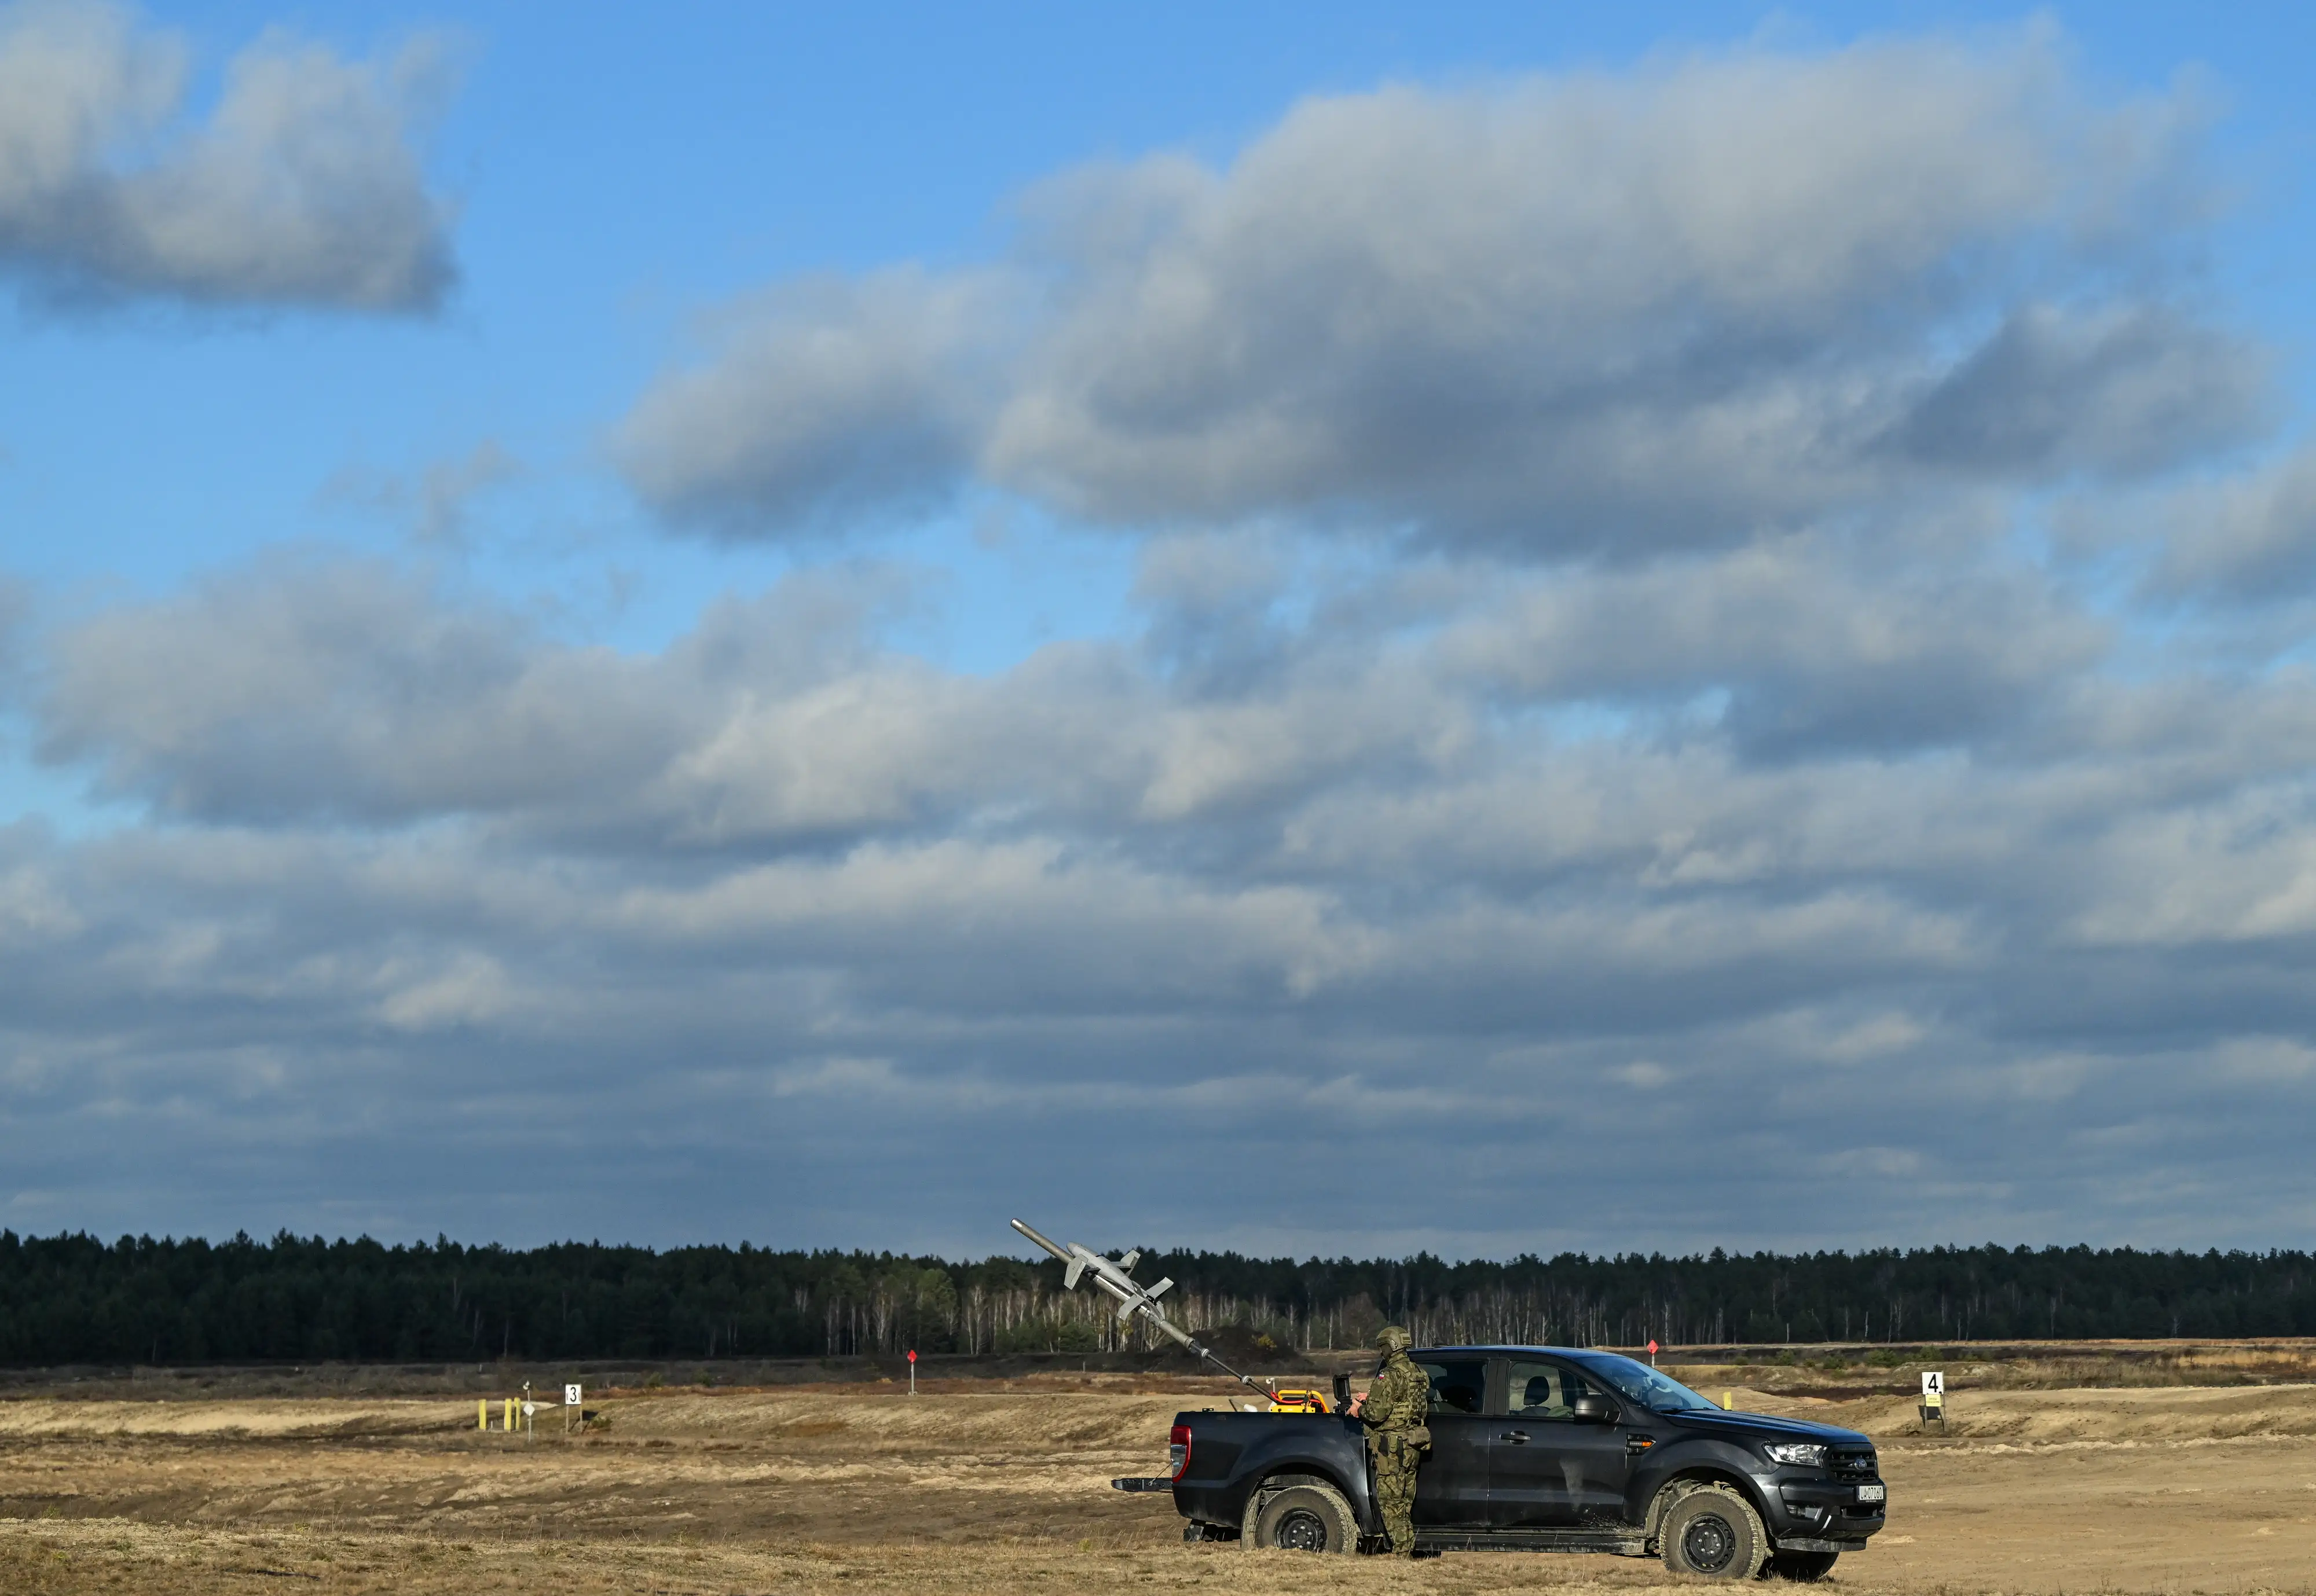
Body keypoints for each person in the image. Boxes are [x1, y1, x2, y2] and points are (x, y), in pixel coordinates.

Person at [1359, 1325, 1431, 1557]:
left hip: (1392, 1448)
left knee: (1391, 1503)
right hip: (1412, 1445)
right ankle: (1406, 1549)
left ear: (1391, 1346)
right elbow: (1404, 1403)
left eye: (1383, 1347)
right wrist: (1370, 1398)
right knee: (1405, 1502)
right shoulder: (1418, 1373)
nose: (1382, 1352)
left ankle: (1402, 1553)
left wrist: (1359, 1409)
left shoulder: (1388, 1375)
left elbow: (1377, 1414)